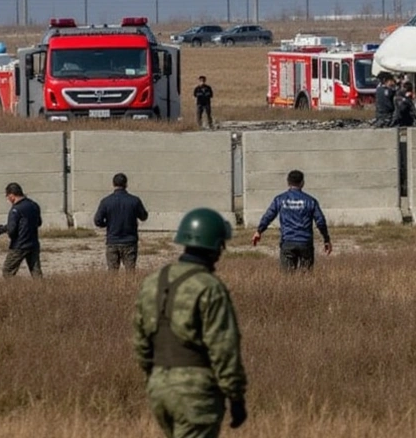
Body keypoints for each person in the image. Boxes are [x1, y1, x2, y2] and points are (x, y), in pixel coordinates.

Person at [133, 207, 247, 437]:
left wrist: (153, 376)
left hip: (159, 387)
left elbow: (140, 340)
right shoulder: (209, 287)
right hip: (194, 392)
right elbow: (223, 348)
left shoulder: (154, 282)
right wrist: (236, 396)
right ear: (216, 247)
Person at [251, 170, 332, 271]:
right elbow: (320, 221)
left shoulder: (280, 199)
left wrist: (259, 231)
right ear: (302, 183)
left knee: (287, 279)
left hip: (287, 242)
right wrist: (326, 239)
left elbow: (268, 216)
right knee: (306, 279)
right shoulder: (311, 201)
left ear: (288, 182)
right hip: (305, 243)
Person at [93, 172, 150, 271]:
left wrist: (107, 224)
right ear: (126, 184)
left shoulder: (106, 201)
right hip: (130, 241)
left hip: (112, 241)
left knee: (112, 273)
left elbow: (97, 221)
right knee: (130, 272)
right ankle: (129, 287)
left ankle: (114, 287)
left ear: (113, 184)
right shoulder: (134, 201)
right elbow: (144, 217)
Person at [0, 182, 42, 278]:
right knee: (36, 272)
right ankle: (41, 290)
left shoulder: (15, 209)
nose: (8, 199)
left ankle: (13, 291)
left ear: (12, 195)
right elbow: (39, 222)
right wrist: (3, 228)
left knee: (7, 271)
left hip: (19, 245)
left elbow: (12, 230)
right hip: (33, 244)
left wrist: (4, 231)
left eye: (7, 196)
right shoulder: (34, 205)